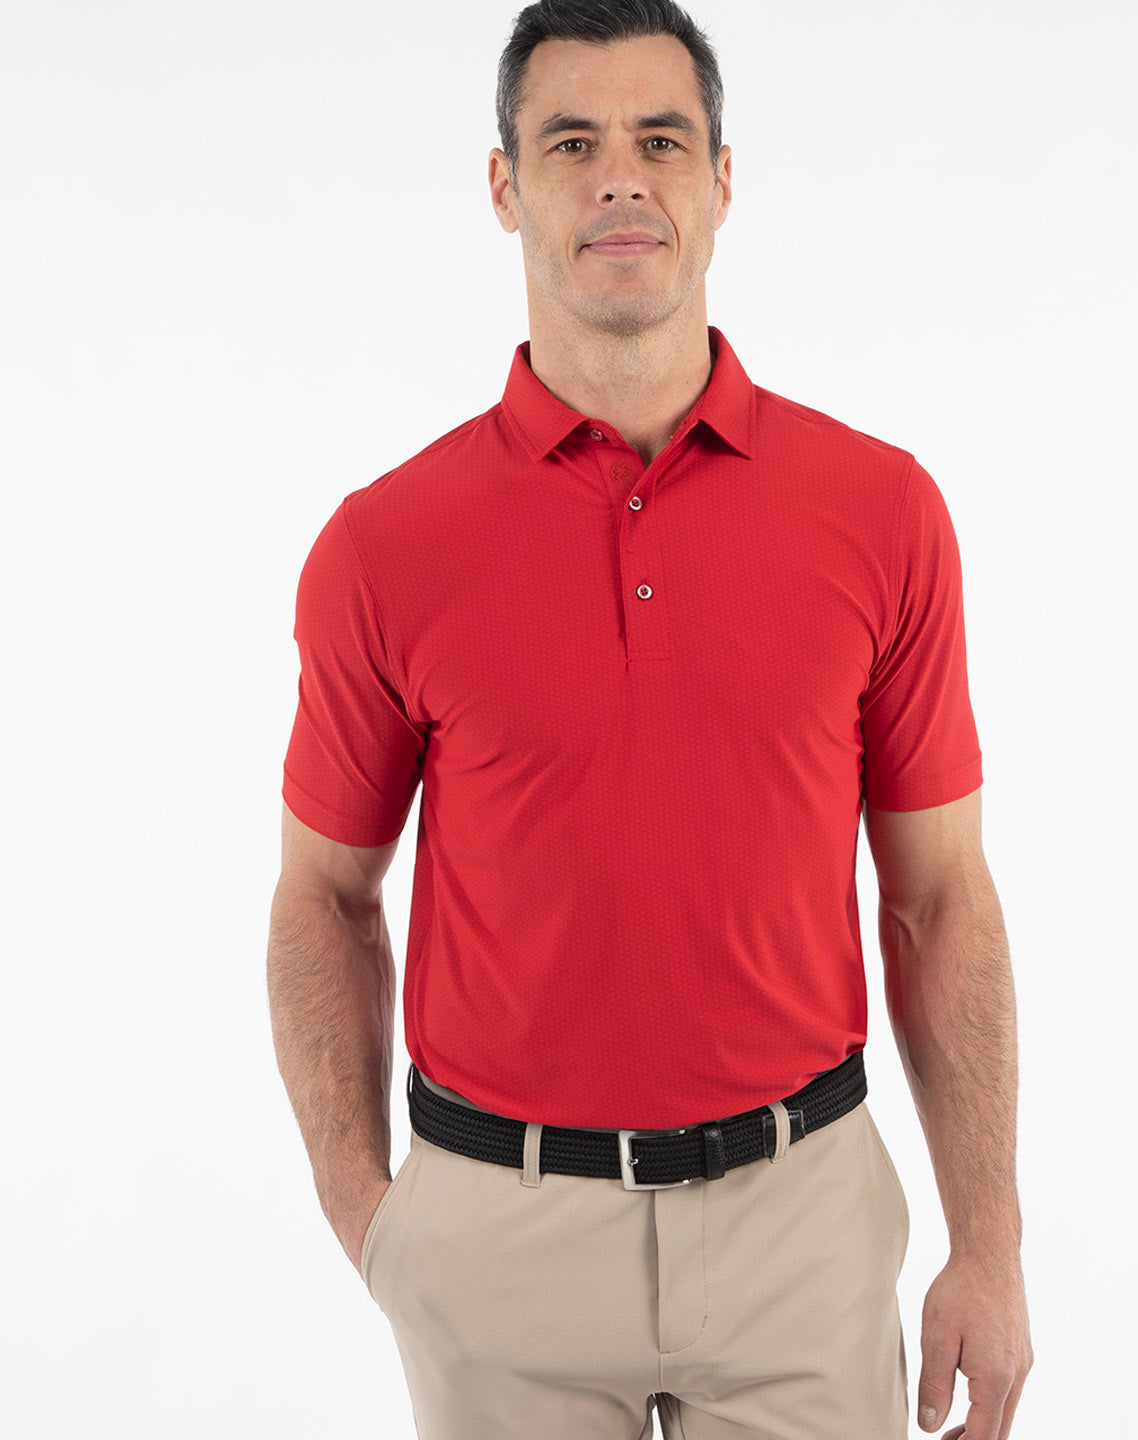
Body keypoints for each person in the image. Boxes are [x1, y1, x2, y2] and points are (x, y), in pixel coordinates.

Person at [266, 2, 1033, 1436]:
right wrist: (372, 1217)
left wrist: (988, 1245)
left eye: (661, 140)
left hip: (802, 1227)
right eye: (572, 143)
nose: (621, 177)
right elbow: (323, 896)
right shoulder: (385, 546)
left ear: (722, 182)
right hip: (498, 1238)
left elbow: (940, 897)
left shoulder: (882, 512)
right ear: (505, 188)